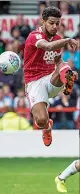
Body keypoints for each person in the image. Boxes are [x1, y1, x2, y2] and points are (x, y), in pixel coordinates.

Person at [24, 6, 78, 146]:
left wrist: (67, 71)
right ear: (43, 21)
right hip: (34, 82)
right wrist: (66, 40)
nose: (55, 26)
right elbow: (48, 46)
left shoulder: (58, 39)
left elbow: (58, 61)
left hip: (50, 79)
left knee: (63, 66)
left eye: (57, 24)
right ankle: (47, 126)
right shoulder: (34, 36)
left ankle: (68, 81)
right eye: (51, 23)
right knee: (41, 120)